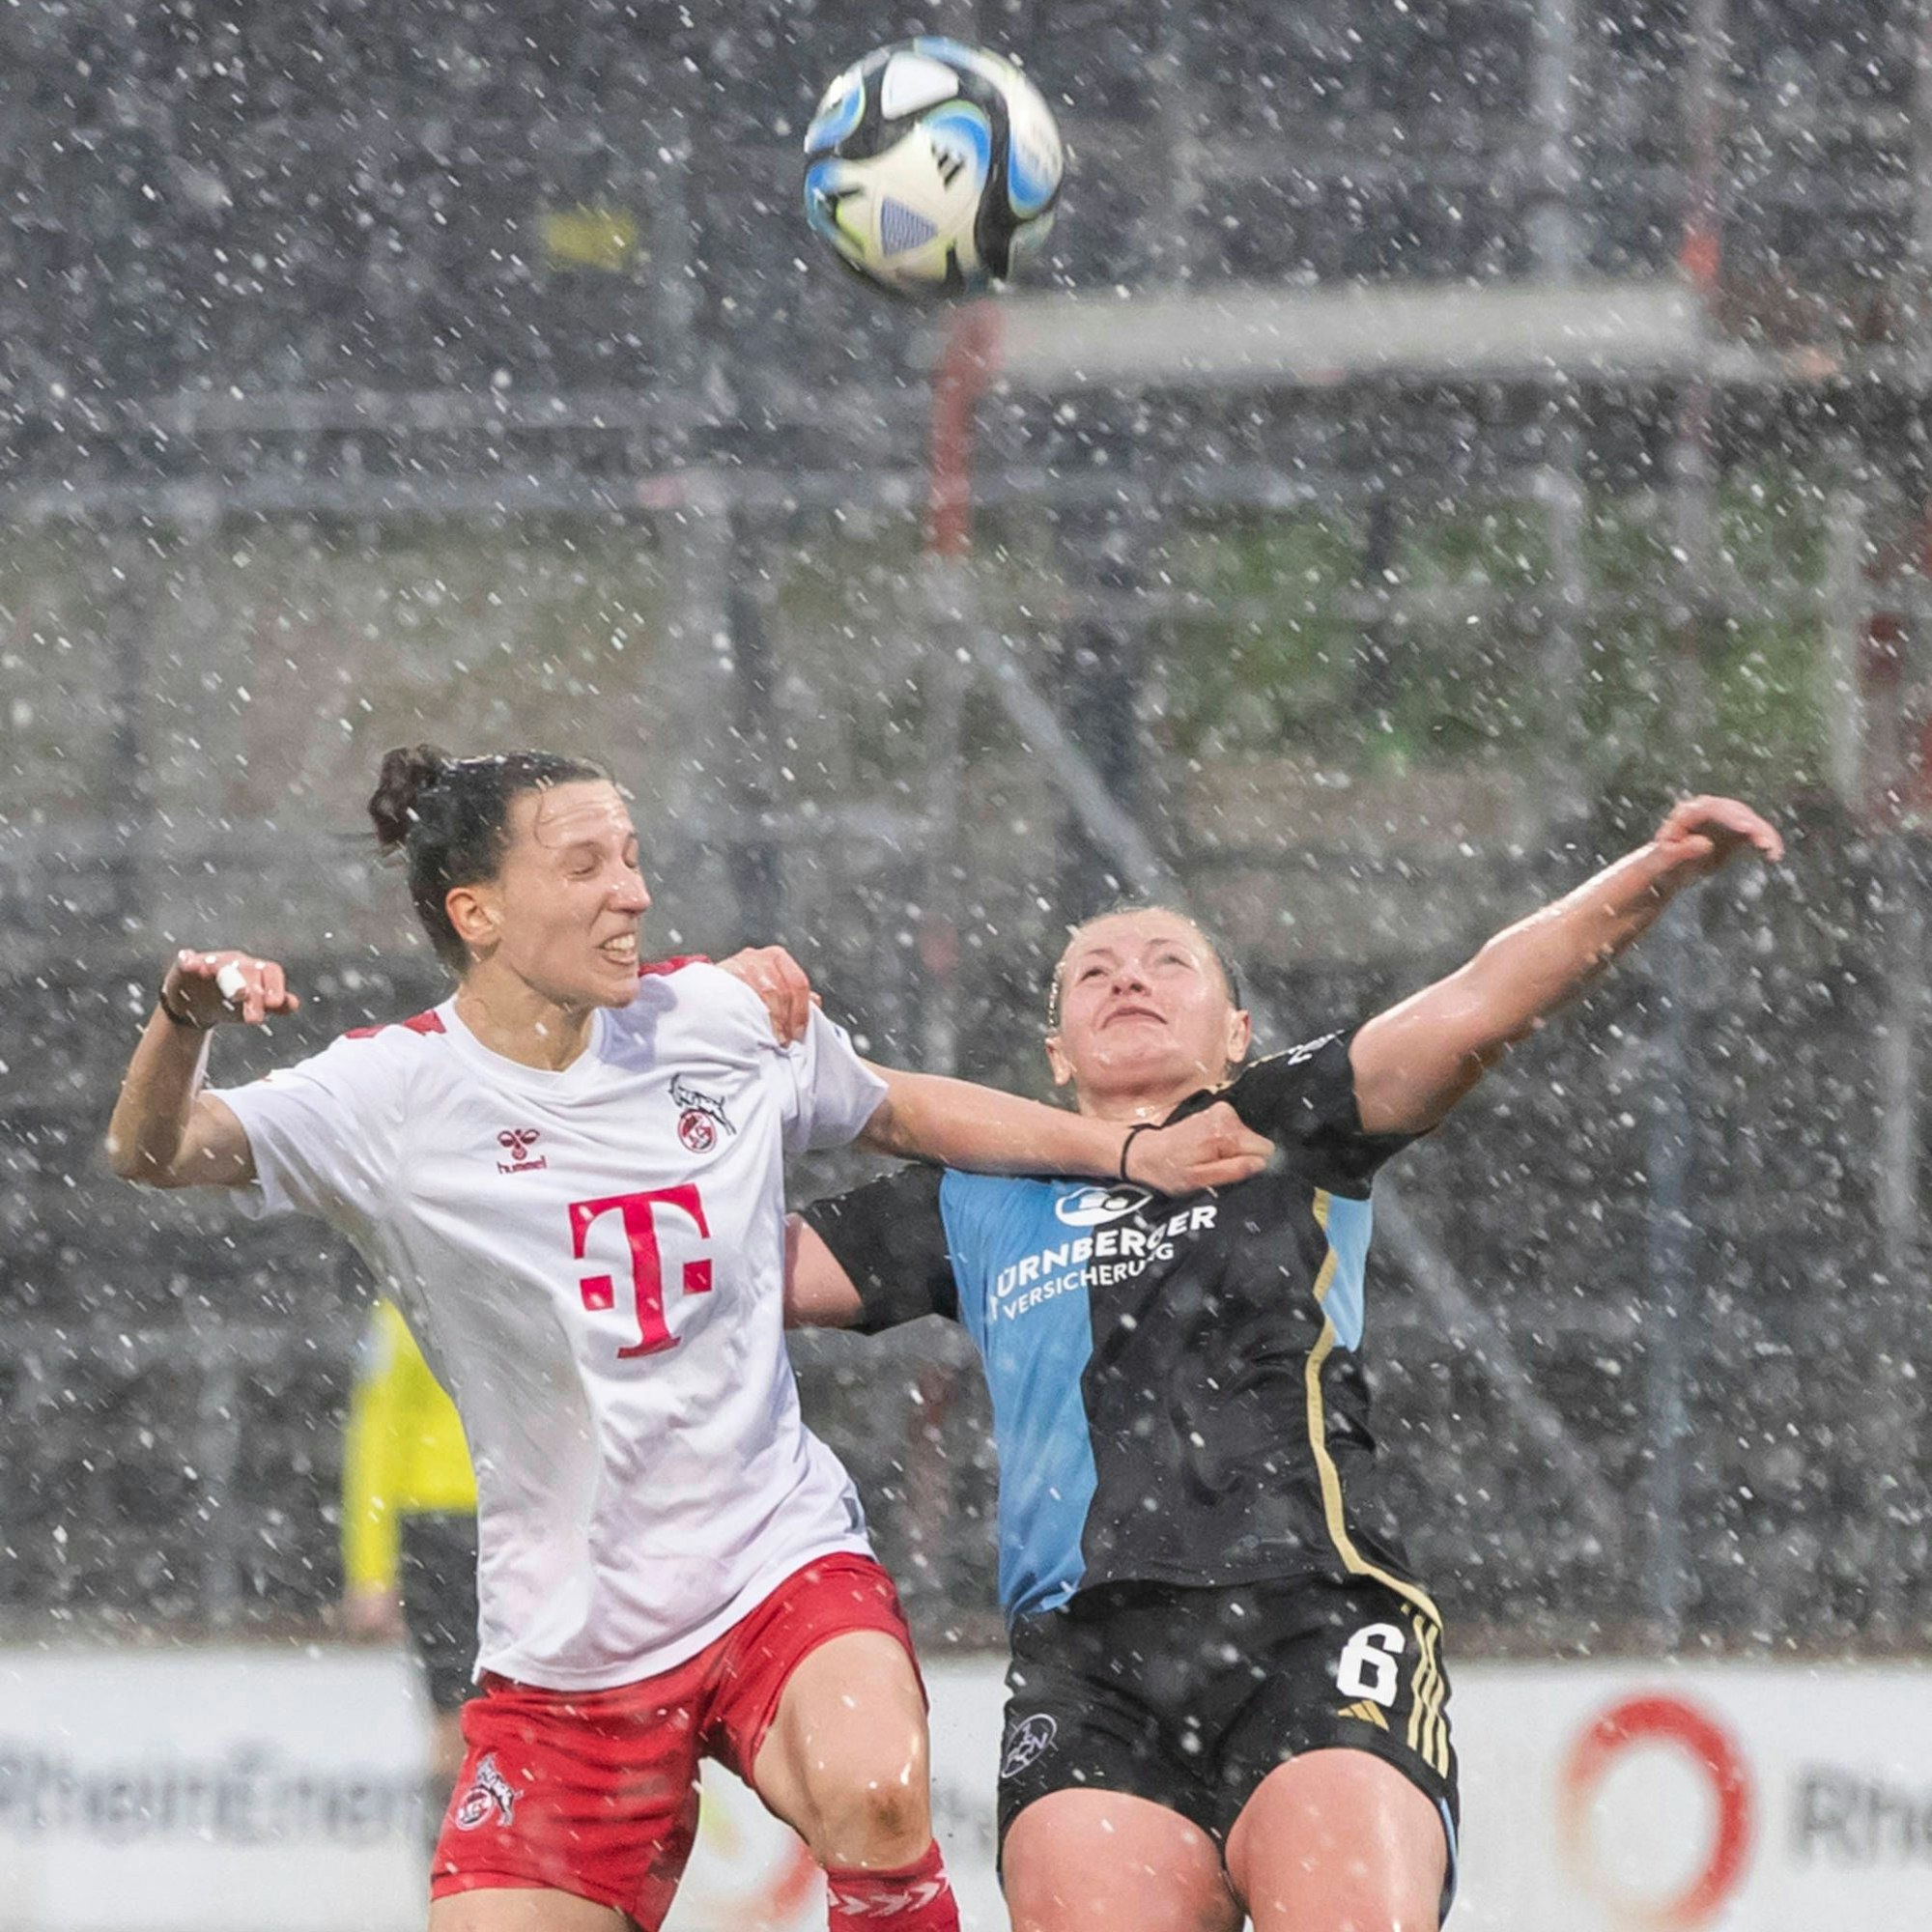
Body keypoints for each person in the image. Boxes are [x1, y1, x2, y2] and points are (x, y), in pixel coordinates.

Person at [104, 743, 1268, 1932]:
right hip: (570, 1638)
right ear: (478, 911)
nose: (633, 890)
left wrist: (1127, 1152)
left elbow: (899, 1104)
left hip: (774, 1561)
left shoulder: (717, 1016)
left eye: (632, 853)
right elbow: (152, 1150)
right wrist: (180, 1016)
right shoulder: (384, 1094)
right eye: (587, 863)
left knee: (875, 1792)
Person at [788, 795, 1784, 1932]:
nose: (1129, 977)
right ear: (1056, 1056)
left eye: (1169, 962)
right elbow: (711, 1269)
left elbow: (1476, 1003)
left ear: (1234, 1032)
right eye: (1093, 972)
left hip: (1312, 1620)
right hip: (1087, 1663)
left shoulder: (1278, 1120)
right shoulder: (974, 1196)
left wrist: (1646, 876)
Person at [340, 1297, 480, 1847]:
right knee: (456, 1721)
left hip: (523, 1520)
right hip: (440, 1529)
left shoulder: (522, 1275)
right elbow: (375, 1432)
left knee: (524, 1714)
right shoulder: (403, 1306)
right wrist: (370, 1569)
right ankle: (456, 1878)